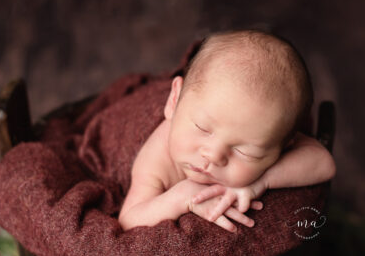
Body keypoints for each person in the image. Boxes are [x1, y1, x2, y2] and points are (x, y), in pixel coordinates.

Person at [119, 30, 336, 233]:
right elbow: (129, 220)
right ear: (174, 101)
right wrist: (181, 197)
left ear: (283, 147)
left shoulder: (264, 129)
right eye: (202, 128)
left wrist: (259, 183)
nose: (213, 155)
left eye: (245, 152)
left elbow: (323, 163)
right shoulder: (159, 157)